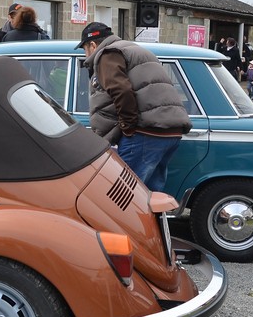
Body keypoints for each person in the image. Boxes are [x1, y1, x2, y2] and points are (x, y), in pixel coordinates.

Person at [78, 22, 191, 192]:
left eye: (85, 49)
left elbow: (121, 90)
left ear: (93, 45)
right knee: (151, 195)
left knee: (126, 194)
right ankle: (154, 219)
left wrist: (128, 127)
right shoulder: (134, 49)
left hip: (145, 132)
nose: (86, 55)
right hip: (171, 130)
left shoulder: (107, 54)